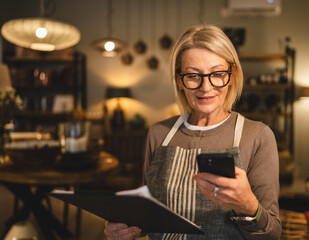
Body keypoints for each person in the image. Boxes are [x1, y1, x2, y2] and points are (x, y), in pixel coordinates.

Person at [104, 24, 281, 240]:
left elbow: (272, 235)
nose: (206, 87)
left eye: (217, 74)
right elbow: (147, 216)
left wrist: (248, 205)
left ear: (231, 75)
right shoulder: (158, 133)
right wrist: (124, 229)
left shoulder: (258, 136)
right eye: (193, 76)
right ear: (179, 81)